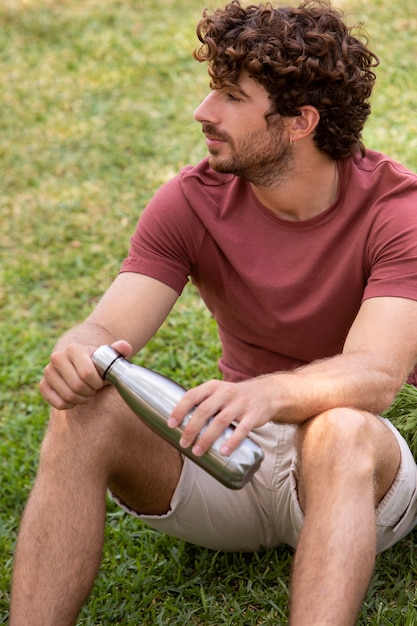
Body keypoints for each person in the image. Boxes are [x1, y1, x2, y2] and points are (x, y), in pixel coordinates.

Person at [10, 1, 417, 624]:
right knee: (83, 411)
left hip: (354, 480)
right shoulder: (190, 200)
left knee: (344, 428)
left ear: (299, 121)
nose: (204, 113)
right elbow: (106, 328)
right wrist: (78, 348)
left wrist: (266, 394)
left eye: (230, 96)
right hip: (227, 461)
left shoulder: (398, 211)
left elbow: (376, 374)